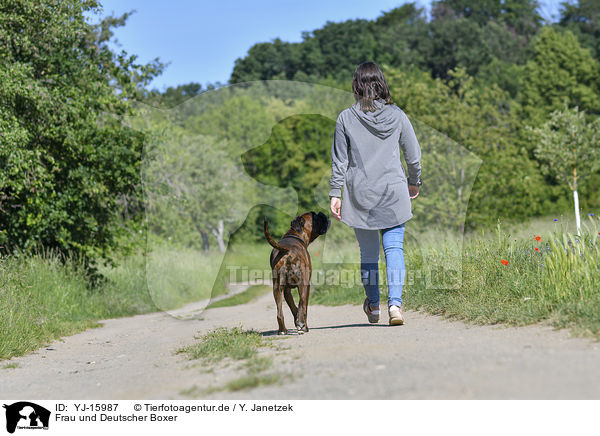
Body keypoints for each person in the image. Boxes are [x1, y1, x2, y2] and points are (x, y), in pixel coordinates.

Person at [329, 61, 422, 326]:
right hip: (393, 190)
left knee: (368, 255)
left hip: (361, 194)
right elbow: (413, 156)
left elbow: (340, 161)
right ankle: (395, 306)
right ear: (381, 83)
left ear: (356, 86)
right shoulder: (397, 115)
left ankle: (373, 306)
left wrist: (336, 193)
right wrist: (413, 181)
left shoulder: (346, 117)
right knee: (394, 248)